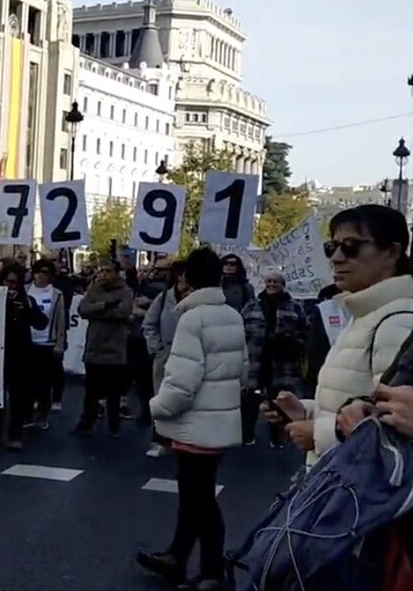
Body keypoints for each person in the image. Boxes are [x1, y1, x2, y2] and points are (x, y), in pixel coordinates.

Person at [138, 248, 247, 591]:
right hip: (219, 418)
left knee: (199, 499)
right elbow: (241, 369)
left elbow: (182, 382)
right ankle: (176, 557)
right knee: (194, 495)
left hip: (194, 421)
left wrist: (157, 408)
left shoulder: (192, 318)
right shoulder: (231, 314)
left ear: (187, 280)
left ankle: (213, 570)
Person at [270, 205, 413, 466]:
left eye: (351, 246)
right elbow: (354, 401)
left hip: (359, 493)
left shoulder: (397, 321)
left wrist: (319, 434)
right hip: (338, 478)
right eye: (331, 247)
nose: (336, 257)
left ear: (392, 252)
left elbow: (395, 430)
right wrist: (306, 410)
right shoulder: (365, 313)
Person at [240, 271, 307, 448]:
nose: (271, 284)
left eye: (276, 281)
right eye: (269, 281)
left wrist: (291, 341)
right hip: (255, 361)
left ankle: (277, 437)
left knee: (278, 400)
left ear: (282, 284)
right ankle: (247, 435)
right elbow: (240, 330)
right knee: (249, 400)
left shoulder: (295, 306)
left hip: (281, 363)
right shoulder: (251, 305)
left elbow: (305, 331)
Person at [0, 264, 47, 450]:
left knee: (18, 397)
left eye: (14, 282)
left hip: (20, 353)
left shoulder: (27, 300)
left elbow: (41, 323)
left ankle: (15, 435)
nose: (11, 286)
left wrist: (25, 310)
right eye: (7, 281)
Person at [74, 260, 134, 437]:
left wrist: (98, 311)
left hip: (114, 349)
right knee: (91, 391)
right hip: (94, 346)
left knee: (113, 393)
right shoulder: (95, 289)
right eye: (102, 271)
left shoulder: (125, 291)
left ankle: (114, 426)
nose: (103, 275)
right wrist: (105, 306)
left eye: (108, 271)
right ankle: (86, 424)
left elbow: (122, 312)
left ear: (116, 273)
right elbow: (83, 309)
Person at [143, 259, 189, 457]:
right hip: (166, 357)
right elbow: (149, 324)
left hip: (190, 357)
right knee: (162, 399)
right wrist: (157, 348)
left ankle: (184, 440)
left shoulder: (200, 300)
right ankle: (160, 441)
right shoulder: (163, 298)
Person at [26, 259, 68, 428]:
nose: (42, 276)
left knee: (44, 383)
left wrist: (59, 343)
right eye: (39, 272)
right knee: (27, 381)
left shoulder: (56, 294)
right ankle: (27, 415)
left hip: (46, 343)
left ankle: (42, 415)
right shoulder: (25, 291)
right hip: (27, 341)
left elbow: (60, 321)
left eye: (46, 273)